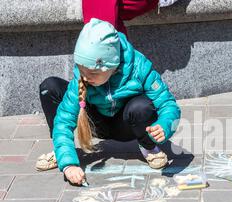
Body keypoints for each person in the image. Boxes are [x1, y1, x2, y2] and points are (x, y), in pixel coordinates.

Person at [36, 18, 180, 186]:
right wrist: (68, 165)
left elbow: (168, 105)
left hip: (126, 125)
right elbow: (63, 120)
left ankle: (148, 145)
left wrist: (164, 126)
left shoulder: (139, 66)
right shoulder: (82, 78)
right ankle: (61, 150)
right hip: (94, 123)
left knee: (142, 106)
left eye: (93, 74)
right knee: (50, 87)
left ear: (112, 65)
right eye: (83, 71)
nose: (86, 78)